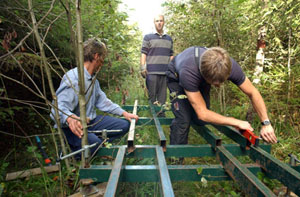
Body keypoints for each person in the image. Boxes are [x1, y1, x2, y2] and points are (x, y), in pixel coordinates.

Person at [166, 46, 277, 145]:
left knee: (200, 121)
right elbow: (203, 113)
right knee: (183, 119)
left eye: (221, 82)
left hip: (198, 75)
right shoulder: (188, 73)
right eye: (215, 84)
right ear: (204, 76)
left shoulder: (229, 65)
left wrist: (266, 123)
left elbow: (253, 92)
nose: (218, 86)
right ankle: (175, 159)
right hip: (175, 77)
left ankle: (191, 108)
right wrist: (235, 122)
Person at [50, 39, 138, 157]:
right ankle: (76, 154)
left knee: (124, 125)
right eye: (103, 58)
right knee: (94, 143)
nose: (103, 62)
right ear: (96, 56)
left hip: (91, 123)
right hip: (73, 128)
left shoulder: (92, 80)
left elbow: (103, 101)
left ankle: (96, 147)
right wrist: (70, 118)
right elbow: (56, 108)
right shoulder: (74, 78)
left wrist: (123, 113)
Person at [140, 14, 174, 110]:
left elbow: (171, 55)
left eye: (161, 21)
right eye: (157, 21)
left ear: (164, 22)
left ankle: (161, 116)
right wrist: (143, 67)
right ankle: (152, 118)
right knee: (152, 96)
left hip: (165, 72)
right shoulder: (148, 37)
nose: (159, 23)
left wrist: (172, 68)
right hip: (151, 72)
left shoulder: (169, 38)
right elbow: (143, 53)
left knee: (162, 98)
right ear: (154, 23)